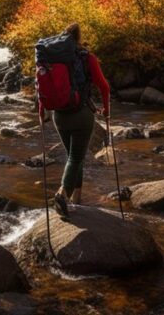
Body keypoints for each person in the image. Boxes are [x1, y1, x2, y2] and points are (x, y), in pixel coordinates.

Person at [41, 23, 110, 219]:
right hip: (82, 114)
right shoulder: (87, 58)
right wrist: (107, 112)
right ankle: (61, 195)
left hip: (59, 115)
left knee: (73, 155)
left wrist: (41, 112)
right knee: (75, 158)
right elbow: (104, 87)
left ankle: (76, 199)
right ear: (79, 38)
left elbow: (41, 88)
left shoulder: (52, 59)